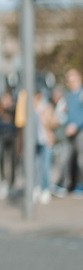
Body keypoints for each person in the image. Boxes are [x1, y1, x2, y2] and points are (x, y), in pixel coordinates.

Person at [61, 69, 83, 198]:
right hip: (68, 131)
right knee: (64, 158)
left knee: (81, 160)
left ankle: (80, 185)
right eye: (68, 79)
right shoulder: (68, 95)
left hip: (80, 131)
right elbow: (66, 113)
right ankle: (66, 184)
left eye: (72, 78)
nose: (70, 81)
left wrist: (76, 125)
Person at [33, 90, 58, 204]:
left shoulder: (47, 107)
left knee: (45, 166)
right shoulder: (30, 107)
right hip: (34, 141)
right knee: (36, 166)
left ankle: (45, 189)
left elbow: (54, 122)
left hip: (46, 140)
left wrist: (46, 118)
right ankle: (37, 187)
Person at [0, 90, 18, 200]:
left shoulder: (14, 110)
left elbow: (17, 125)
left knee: (13, 161)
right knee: (1, 160)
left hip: (12, 138)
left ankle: (11, 183)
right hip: (1, 138)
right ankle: (3, 182)